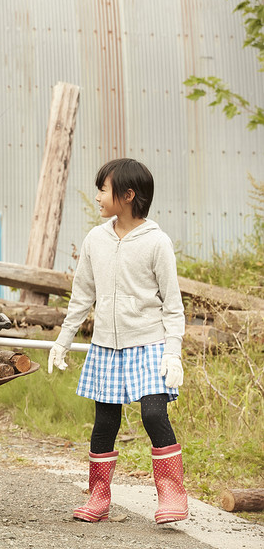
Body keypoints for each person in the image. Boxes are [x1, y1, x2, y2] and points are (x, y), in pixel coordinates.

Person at [48, 158, 188, 524]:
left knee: (154, 413)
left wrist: (173, 355)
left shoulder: (157, 242)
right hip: (106, 345)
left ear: (128, 195)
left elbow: (173, 306)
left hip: (150, 342)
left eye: (103, 189)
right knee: (104, 423)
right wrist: (62, 340)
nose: (97, 196)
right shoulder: (96, 239)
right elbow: (82, 295)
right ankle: (99, 496)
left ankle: (172, 492)